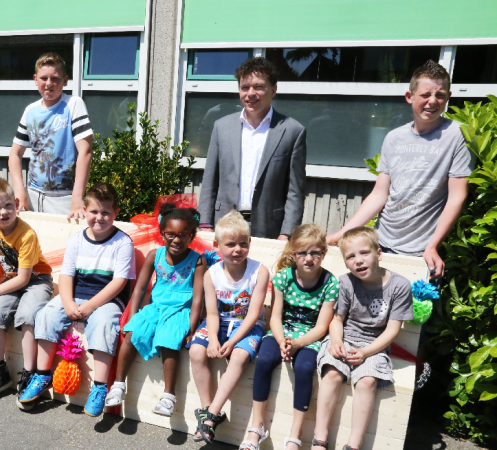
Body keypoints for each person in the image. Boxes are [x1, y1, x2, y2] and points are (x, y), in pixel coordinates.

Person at [326, 60, 472, 279]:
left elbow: (456, 197)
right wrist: (342, 233)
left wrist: (433, 246)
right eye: (425, 94)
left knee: (413, 303)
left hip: (422, 252)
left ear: (448, 96)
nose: (433, 101)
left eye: (440, 95)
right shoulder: (394, 138)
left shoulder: (458, 135)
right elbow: (379, 194)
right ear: (409, 96)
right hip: (381, 245)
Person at [18, 183, 135, 417]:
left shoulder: (123, 243)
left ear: (116, 213)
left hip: (108, 299)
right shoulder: (76, 240)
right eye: (94, 211)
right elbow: (66, 276)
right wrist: (68, 303)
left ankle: (99, 387)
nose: (99, 218)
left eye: (106, 213)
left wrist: (90, 306)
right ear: (85, 211)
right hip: (76, 294)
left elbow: (119, 282)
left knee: (104, 323)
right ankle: (42, 375)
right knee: (47, 314)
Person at [313, 227, 413, 450]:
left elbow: (392, 330)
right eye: (351, 256)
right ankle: (320, 439)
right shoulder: (346, 282)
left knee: (367, 381)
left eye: (364, 253)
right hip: (344, 338)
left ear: (379, 254)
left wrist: (366, 352)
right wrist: (336, 342)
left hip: (374, 345)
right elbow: (337, 319)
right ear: (346, 263)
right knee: (332, 373)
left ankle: (354, 445)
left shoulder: (399, 286)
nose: (358, 260)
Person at [104, 203, 206, 417]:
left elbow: (198, 298)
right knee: (132, 333)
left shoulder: (197, 261)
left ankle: (168, 396)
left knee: (168, 339)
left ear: (192, 237)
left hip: (180, 310)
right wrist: (132, 317)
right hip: (156, 307)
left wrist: (192, 328)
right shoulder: (154, 255)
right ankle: (118, 385)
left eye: (183, 235)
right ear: (162, 233)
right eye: (171, 234)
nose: (176, 240)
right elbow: (140, 288)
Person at [244, 224, 339, 450]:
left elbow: (322, 326)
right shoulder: (283, 278)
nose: (309, 259)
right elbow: (275, 317)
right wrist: (281, 341)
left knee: (305, 368)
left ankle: (295, 434)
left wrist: (297, 344)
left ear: (324, 253)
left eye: (315, 253)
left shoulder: (330, 283)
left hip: (310, 337)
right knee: (264, 359)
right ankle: (257, 426)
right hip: (282, 332)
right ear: (293, 254)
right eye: (302, 253)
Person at [196, 57, 306, 240]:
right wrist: (205, 224)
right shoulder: (221, 127)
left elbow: (295, 191)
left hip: (268, 229)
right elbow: (210, 180)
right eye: (245, 87)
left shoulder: (292, 131)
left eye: (258, 87)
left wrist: (287, 233)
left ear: (273, 89)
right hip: (224, 224)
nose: (250, 93)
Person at [187, 210, 270, 445]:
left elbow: (253, 314)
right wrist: (213, 339)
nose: (237, 249)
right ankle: (207, 410)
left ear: (250, 243)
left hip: (247, 325)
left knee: (239, 355)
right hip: (220, 322)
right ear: (217, 245)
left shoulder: (259, 271)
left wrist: (232, 342)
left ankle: (212, 415)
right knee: (196, 350)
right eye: (231, 244)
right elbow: (212, 313)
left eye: (243, 244)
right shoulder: (211, 274)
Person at [0, 177, 54, 402]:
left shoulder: (26, 234)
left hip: (36, 279)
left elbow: (24, 278)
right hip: (11, 280)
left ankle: (29, 373)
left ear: (17, 204)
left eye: (8, 205)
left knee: (27, 316)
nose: (3, 212)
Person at [8, 52, 93, 220]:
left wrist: (77, 197)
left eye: (55, 79)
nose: (49, 83)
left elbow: (85, 151)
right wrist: (20, 191)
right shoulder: (30, 111)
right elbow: (15, 154)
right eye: (43, 78)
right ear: (35, 79)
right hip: (32, 194)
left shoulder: (73, 104)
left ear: (65, 80)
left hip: (65, 198)